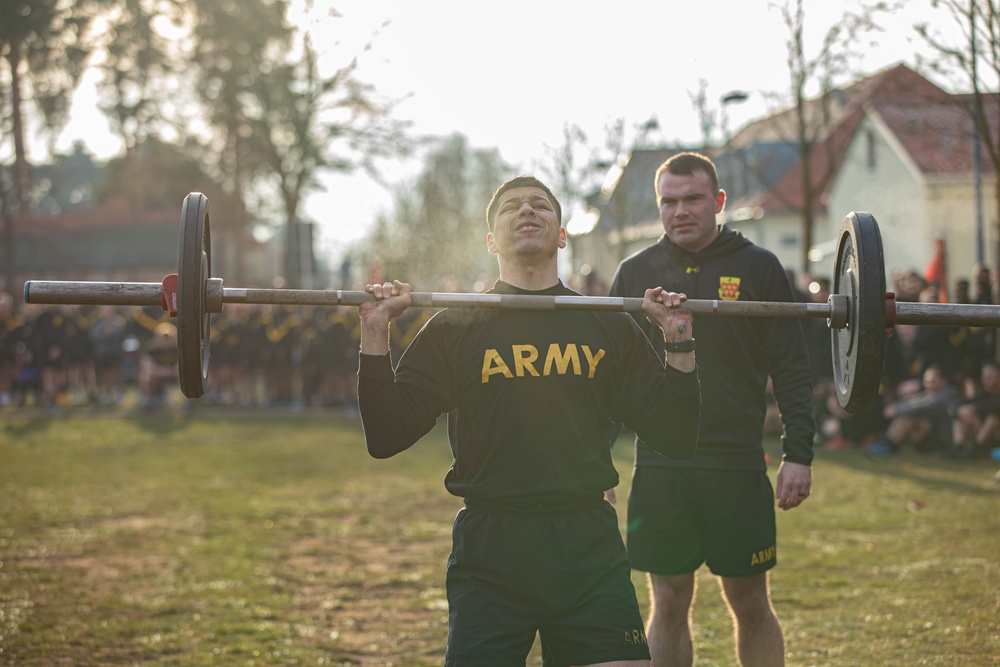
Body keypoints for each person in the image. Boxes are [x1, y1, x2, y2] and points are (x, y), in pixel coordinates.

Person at [356, 175, 702, 666]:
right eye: (512, 207)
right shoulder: (456, 325)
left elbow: (676, 435)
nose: (527, 210)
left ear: (561, 234)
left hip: (586, 544)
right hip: (492, 548)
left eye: (540, 205)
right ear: (492, 239)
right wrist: (374, 335)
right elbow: (386, 435)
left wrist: (680, 343)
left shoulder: (606, 321)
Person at [609, 152, 815, 667]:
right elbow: (606, 377)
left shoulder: (759, 267)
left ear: (719, 201)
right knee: (669, 598)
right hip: (660, 465)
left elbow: (790, 366)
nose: (680, 211)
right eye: (669, 201)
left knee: (749, 601)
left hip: (737, 462)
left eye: (693, 198)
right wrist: (594, 459)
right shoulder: (635, 273)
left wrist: (800, 452)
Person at [864, 364, 960, 458]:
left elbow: (923, 406)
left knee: (908, 417)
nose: (928, 381)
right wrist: (894, 407)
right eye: (926, 378)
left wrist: (896, 409)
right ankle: (888, 444)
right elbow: (911, 402)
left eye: (933, 379)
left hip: (941, 440)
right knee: (906, 415)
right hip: (926, 437)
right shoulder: (929, 394)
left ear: (944, 381)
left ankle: (889, 446)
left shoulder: (948, 395)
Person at [947, 360, 1000, 459]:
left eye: (989, 378)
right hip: (982, 432)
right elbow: (961, 404)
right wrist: (960, 410)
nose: (985, 381)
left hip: (995, 437)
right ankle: (958, 447)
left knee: (993, 418)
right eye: (984, 377)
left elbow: (996, 406)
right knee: (963, 413)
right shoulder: (983, 393)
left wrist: (974, 408)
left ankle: (976, 449)